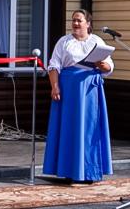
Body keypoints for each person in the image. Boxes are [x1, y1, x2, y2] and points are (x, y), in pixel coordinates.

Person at [42, 9, 114, 183]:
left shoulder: (96, 41)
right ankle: (69, 171)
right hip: (69, 90)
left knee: (89, 129)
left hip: (90, 92)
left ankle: (90, 172)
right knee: (69, 128)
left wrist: (102, 64)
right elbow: (53, 66)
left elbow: (109, 68)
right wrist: (55, 86)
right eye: (73, 20)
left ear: (88, 23)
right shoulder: (64, 41)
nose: (75, 23)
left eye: (79, 20)